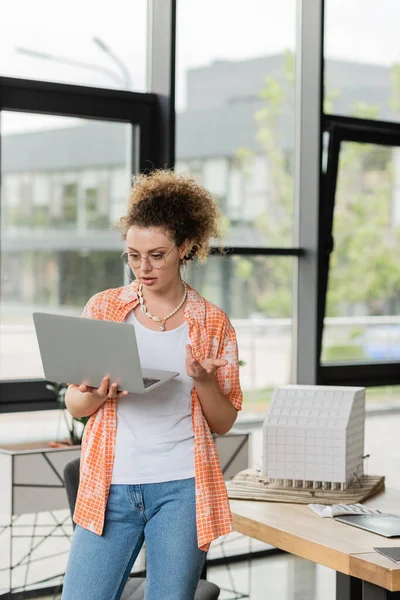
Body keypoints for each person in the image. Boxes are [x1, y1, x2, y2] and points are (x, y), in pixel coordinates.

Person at [61, 169, 243, 600]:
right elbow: (74, 404)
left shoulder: (212, 322)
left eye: (157, 255)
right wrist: (97, 393)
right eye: (133, 255)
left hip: (182, 488)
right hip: (111, 485)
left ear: (184, 248)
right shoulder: (104, 307)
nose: (143, 267)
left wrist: (203, 382)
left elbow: (224, 422)